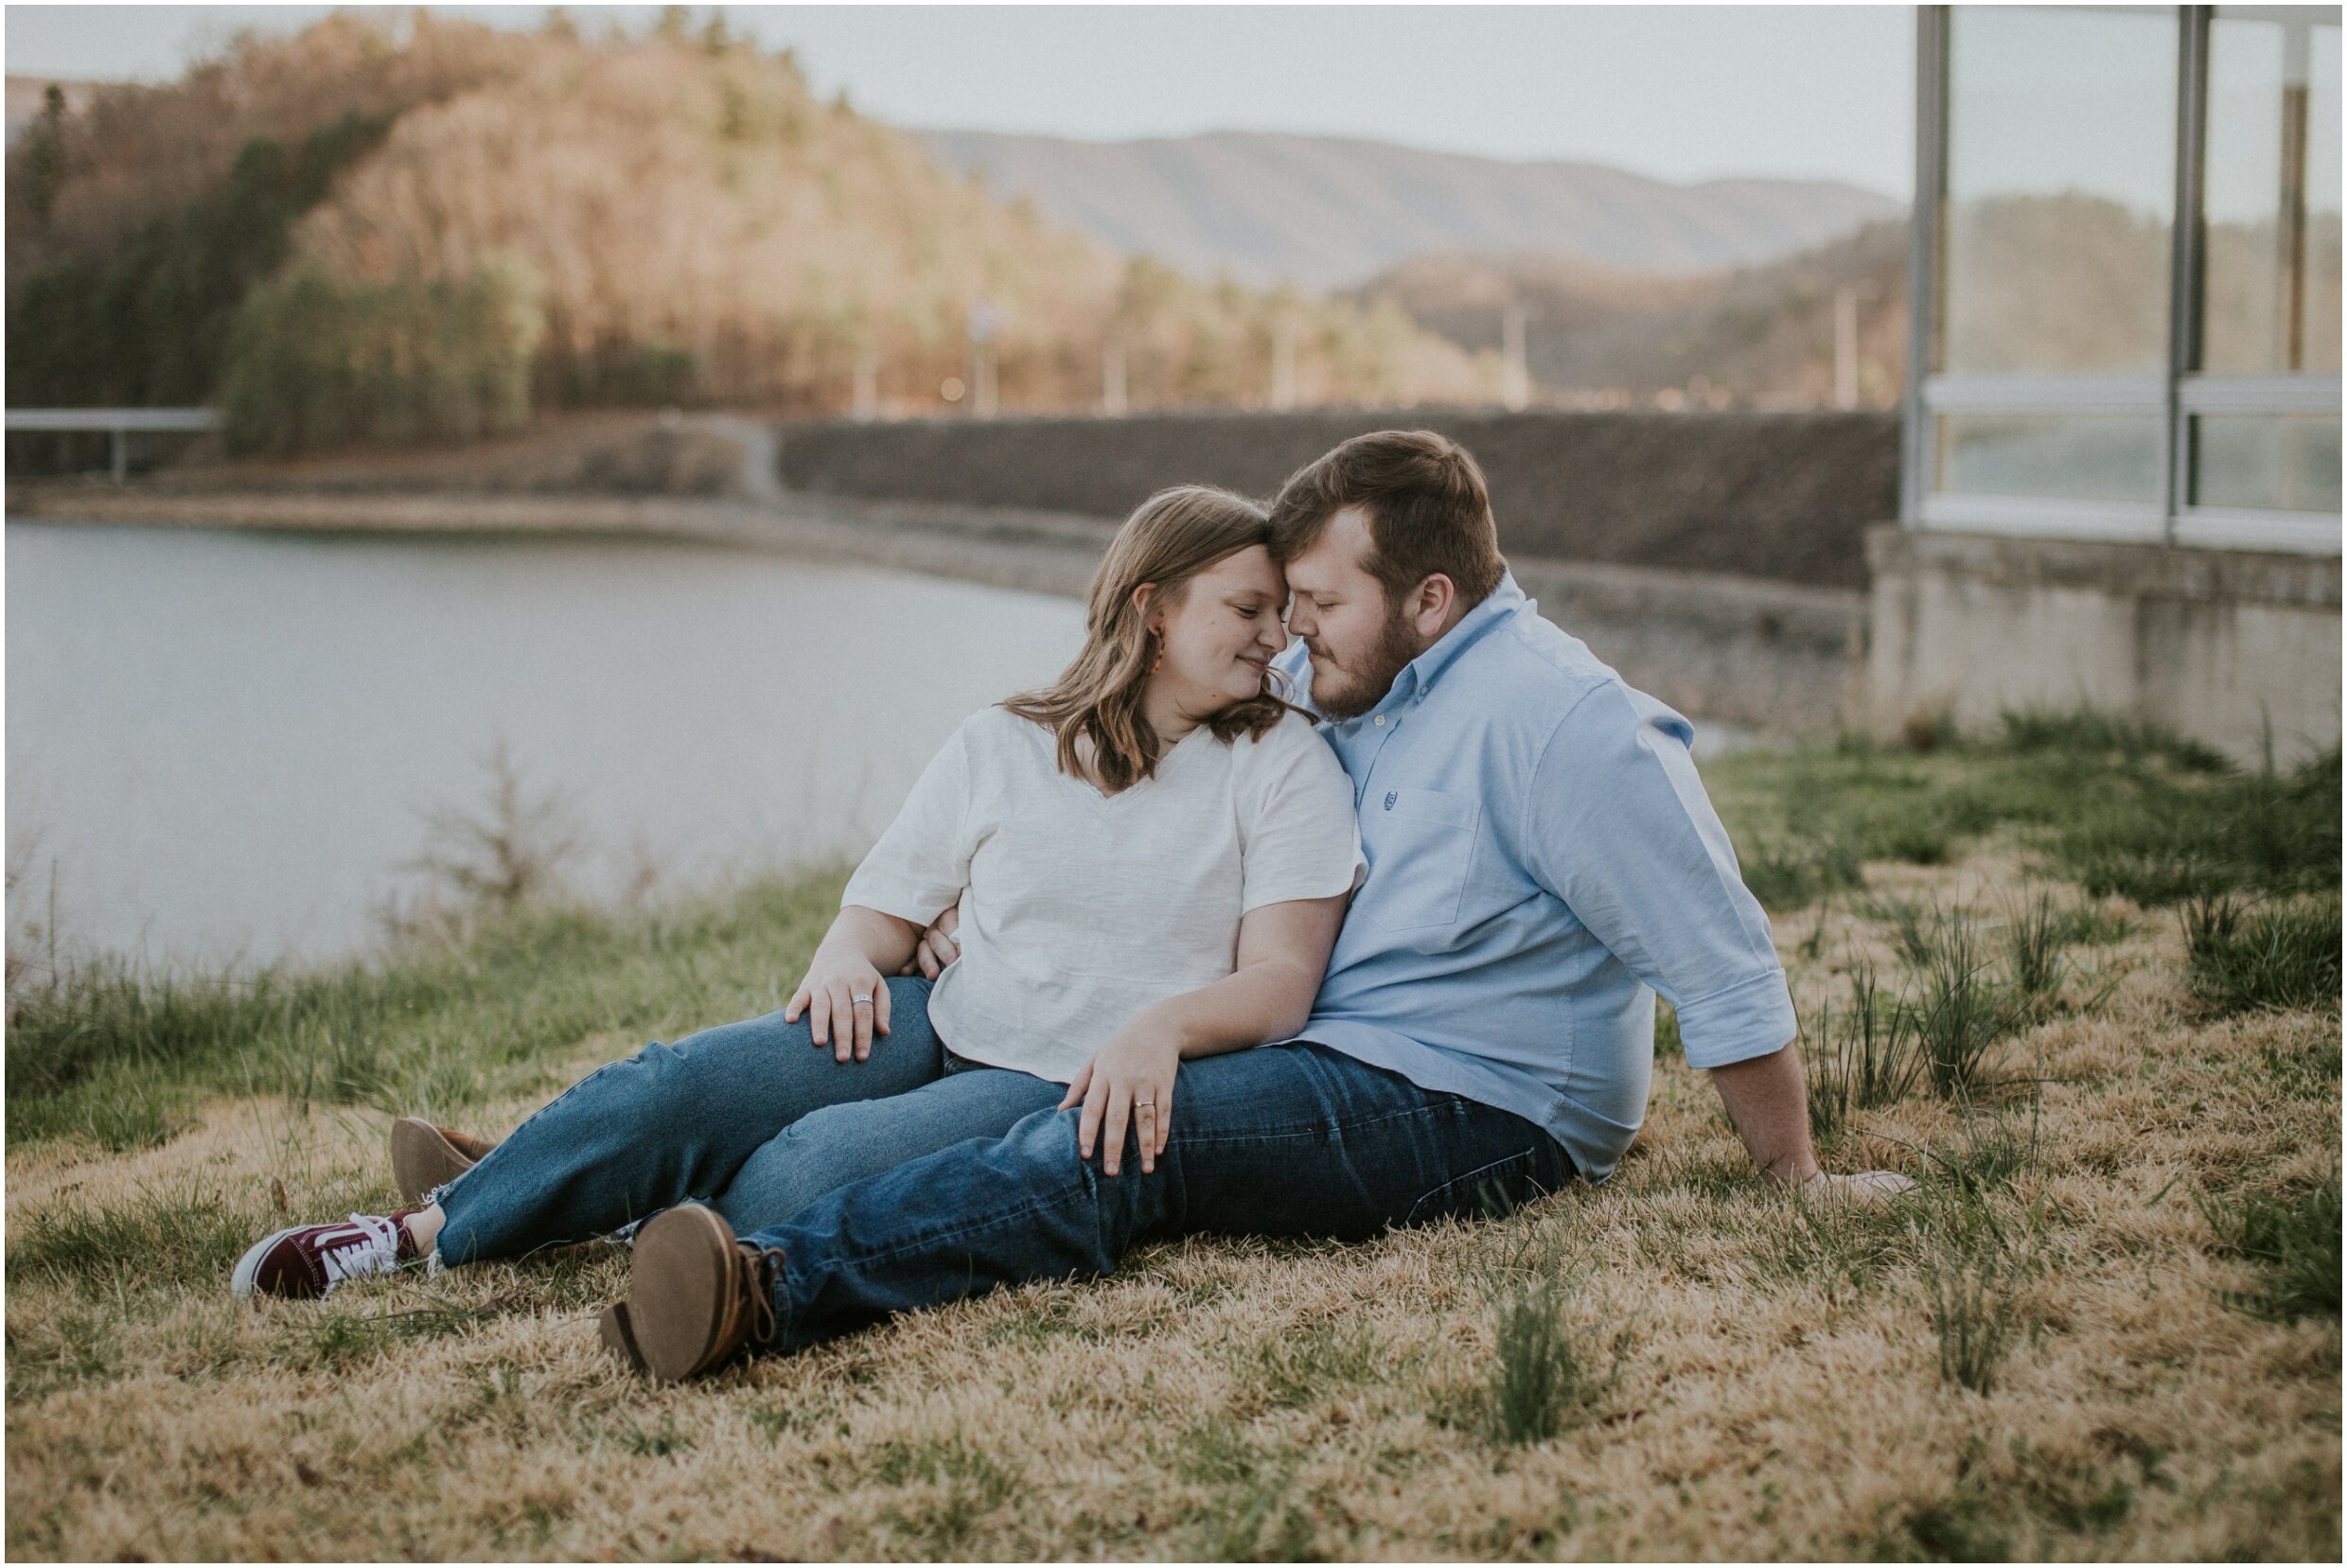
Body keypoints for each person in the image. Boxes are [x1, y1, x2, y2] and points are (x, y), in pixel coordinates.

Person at [600, 428, 1915, 1380]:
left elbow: (1724, 961)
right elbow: (1159, 799)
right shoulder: (1356, 691)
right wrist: (979, 904)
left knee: (1124, 1135)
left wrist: (1793, 1177)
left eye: (1323, 604)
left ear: (1430, 598)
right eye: (1283, 608)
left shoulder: (1566, 726)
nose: (1294, 635)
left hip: (1471, 1099)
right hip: (1319, 1045)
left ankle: (772, 1293)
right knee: (913, 1065)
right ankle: (606, 1194)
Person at [230, 484, 1366, 1365]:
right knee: (675, 1086)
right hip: (939, 1014)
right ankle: (414, 1235)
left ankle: (578, 1193)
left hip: (1056, 1078)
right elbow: (880, 909)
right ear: (1149, 608)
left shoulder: (1280, 764)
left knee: (799, 1170)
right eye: (1247, 609)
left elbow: (1279, 980)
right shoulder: (1006, 740)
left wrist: (1156, 1029)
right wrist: (843, 960)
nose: (1276, 638)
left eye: (1279, 613)